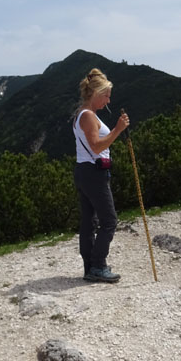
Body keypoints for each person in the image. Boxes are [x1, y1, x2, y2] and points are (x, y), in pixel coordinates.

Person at [73, 68, 130, 282]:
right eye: (106, 96)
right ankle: (98, 265)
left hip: (84, 171)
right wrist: (118, 130)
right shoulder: (88, 116)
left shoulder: (83, 113)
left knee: (89, 221)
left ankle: (90, 267)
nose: (108, 101)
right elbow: (96, 147)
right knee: (109, 220)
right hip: (93, 172)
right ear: (95, 93)